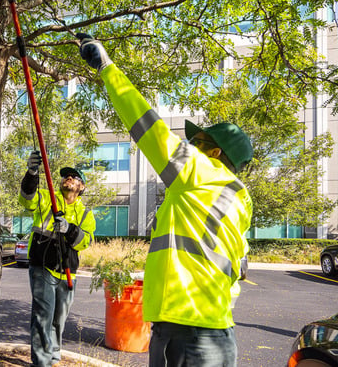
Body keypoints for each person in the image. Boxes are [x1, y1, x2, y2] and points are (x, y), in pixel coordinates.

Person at [77, 34, 253, 367]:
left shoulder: (201, 170)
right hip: (213, 330)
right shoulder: (240, 199)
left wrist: (106, 66)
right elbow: (239, 269)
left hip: (187, 331)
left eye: (197, 141)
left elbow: (146, 123)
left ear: (215, 153)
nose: (189, 146)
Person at [19, 151, 96, 366]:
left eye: (74, 177)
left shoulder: (85, 214)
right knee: (43, 316)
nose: (68, 178)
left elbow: (85, 241)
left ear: (81, 187)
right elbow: (27, 199)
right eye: (66, 176)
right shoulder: (47, 197)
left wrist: (70, 229)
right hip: (42, 268)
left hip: (67, 272)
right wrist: (32, 173)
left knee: (58, 319)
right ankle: (42, 362)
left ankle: (53, 355)